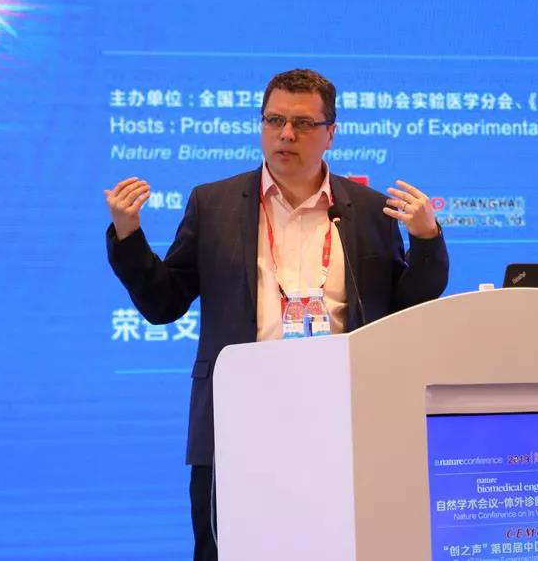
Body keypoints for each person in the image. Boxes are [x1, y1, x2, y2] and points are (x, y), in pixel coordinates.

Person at [105, 68, 448, 561]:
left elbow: (408, 308)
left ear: (331, 133)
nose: (286, 134)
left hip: (344, 421)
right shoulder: (214, 204)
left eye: (304, 124)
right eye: (274, 120)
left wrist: (427, 240)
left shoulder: (370, 210)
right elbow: (164, 302)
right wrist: (128, 234)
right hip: (237, 420)